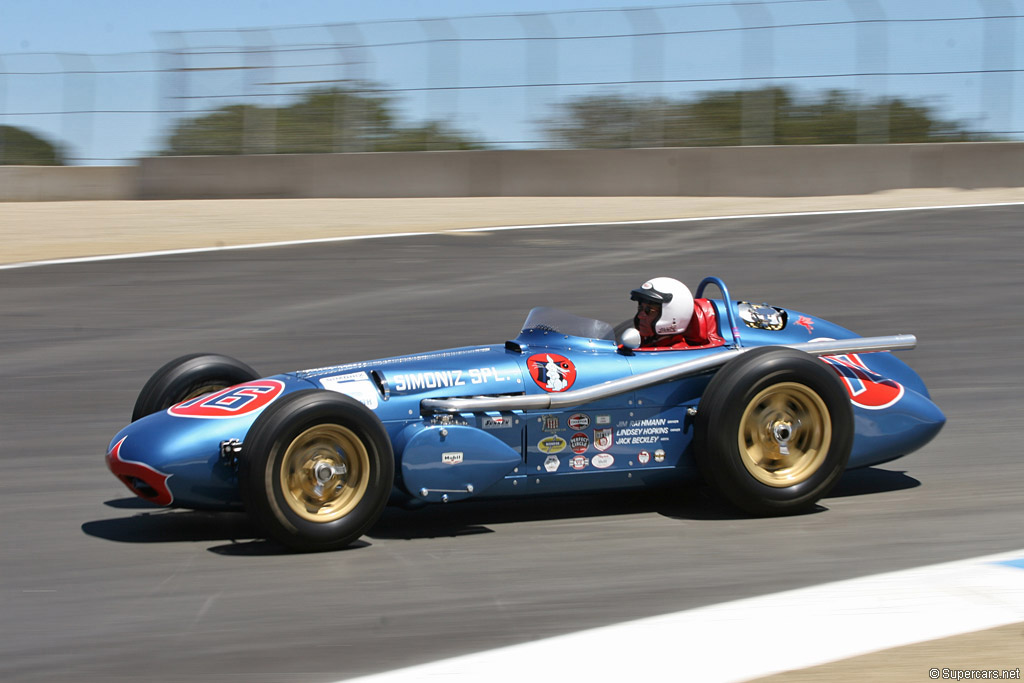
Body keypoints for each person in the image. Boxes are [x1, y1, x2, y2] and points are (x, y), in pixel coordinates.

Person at [630, 277, 694, 348]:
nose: (640, 316)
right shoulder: (639, 341)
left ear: (671, 315)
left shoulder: (677, 353)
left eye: (650, 310)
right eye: (640, 308)